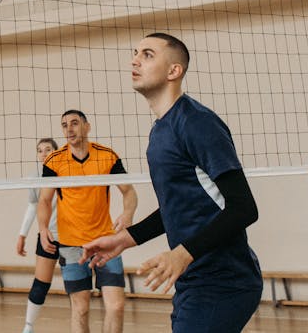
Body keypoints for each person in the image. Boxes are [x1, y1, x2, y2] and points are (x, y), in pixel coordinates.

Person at [83, 33, 262, 333]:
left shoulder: (197, 123)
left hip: (224, 281)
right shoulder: (159, 132)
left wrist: (182, 253)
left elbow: (244, 208)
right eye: (135, 52)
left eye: (148, 54)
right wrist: (126, 238)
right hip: (193, 279)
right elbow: (179, 207)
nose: (135, 59)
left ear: (173, 71)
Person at [38, 110, 136, 333]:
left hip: (106, 241)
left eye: (74, 123)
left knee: (116, 306)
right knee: (80, 308)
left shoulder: (107, 156)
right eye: (64, 125)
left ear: (87, 126)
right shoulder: (55, 161)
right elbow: (44, 200)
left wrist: (128, 213)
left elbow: (129, 191)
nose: (69, 129)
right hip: (72, 245)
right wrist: (43, 228)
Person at [17, 137, 60, 333]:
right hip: (47, 236)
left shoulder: (67, 174)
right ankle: (28, 326)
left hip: (73, 237)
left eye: (48, 149)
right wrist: (22, 235)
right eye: (40, 150)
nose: (43, 153)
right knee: (40, 283)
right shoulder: (35, 177)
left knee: (77, 287)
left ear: (57, 152)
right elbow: (32, 207)